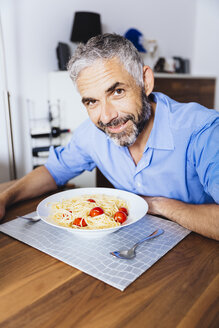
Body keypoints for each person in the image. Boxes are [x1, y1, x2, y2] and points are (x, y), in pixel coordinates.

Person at [0, 33, 218, 240]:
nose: (106, 116)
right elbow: (52, 172)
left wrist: (158, 204)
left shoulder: (202, 131)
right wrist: (4, 198)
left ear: (145, 81)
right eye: (92, 101)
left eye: (117, 92)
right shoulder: (90, 134)